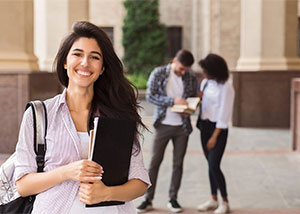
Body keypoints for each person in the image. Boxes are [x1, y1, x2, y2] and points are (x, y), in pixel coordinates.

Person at [14, 21, 151, 214]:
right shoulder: (39, 114)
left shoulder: (119, 114)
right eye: (77, 54)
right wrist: (65, 172)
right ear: (65, 62)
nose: (85, 63)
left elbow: (139, 182)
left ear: (102, 67)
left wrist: (106, 193)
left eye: (94, 57)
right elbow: (22, 185)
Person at [136, 50, 198, 213]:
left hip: (182, 127)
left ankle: (173, 199)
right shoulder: (159, 73)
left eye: (186, 69)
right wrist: (172, 101)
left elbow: (192, 97)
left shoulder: (190, 77)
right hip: (163, 124)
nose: (183, 72)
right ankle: (148, 199)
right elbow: (150, 96)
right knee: (154, 163)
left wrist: (189, 108)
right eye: (182, 68)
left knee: (178, 164)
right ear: (175, 60)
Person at [196, 54, 234, 214]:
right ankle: (213, 199)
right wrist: (198, 100)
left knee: (214, 165)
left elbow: (224, 114)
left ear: (215, 70)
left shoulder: (226, 86)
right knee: (210, 165)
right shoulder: (205, 83)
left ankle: (225, 202)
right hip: (204, 127)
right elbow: (203, 106)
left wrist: (214, 136)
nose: (204, 73)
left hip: (217, 130)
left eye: (206, 70)